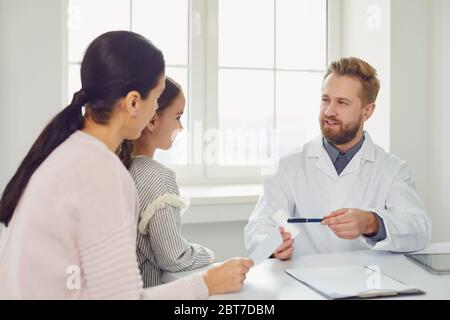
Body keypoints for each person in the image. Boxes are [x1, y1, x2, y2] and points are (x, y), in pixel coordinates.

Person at [0, 30, 252, 299]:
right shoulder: (101, 170)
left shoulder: (64, 152)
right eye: (156, 98)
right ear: (133, 102)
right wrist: (207, 283)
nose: (155, 109)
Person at [244, 57, 432, 260]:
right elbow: (258, 229)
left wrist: (372, 223)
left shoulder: (392, 169)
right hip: (302, 283)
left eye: (342, 102)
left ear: (367, 111)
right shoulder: (289, 166)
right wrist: (273, 245)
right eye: (326, 100)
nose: (329, 111)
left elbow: (419, 231)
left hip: (368, 284)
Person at [119, 77, 214, 287]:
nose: (180, 127)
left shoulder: (120, 168)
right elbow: (174, 257)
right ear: (153, 121)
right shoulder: (158, 177)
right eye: (178, 117)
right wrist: (208, 254)